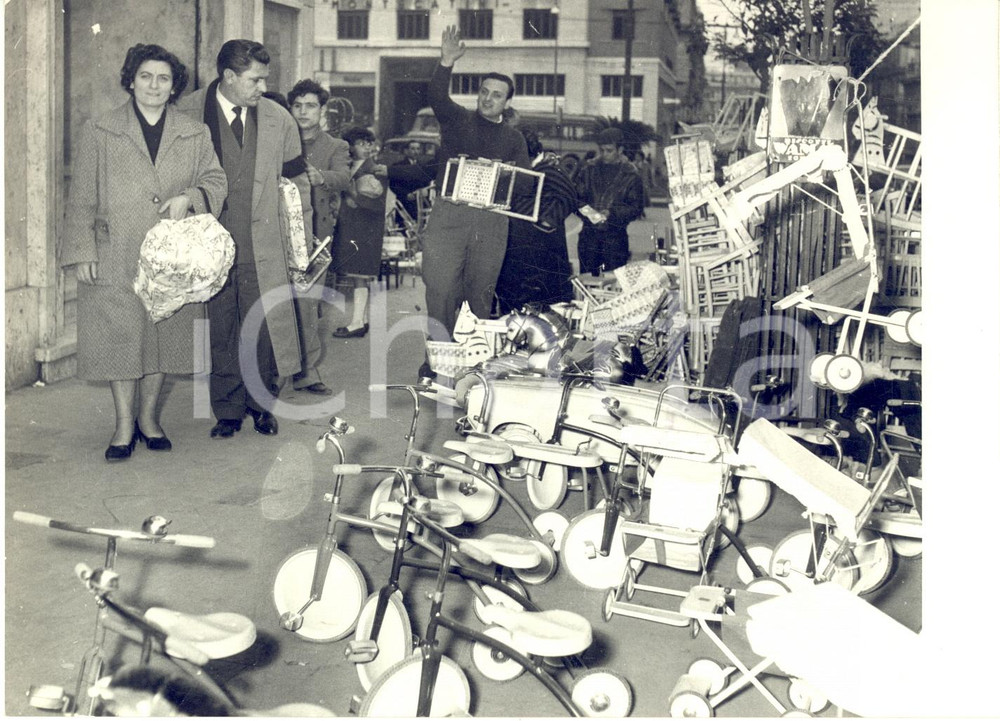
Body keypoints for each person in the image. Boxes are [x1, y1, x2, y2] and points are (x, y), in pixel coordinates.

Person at [61, 43, 227, 462]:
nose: (154, 85)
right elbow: (80, 194)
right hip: (114, 251)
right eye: (146, 76)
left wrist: (190, 196)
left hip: (172, 256)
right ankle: (122, 425)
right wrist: (81, 249)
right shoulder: (100, 129)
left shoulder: (194, 132)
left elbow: (215, 180)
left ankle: (149, 419)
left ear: (174, 87)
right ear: (131, 80)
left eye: (164, 78)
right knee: (121, 339)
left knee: (161, 339)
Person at [176, 39, 312, 439]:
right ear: (229, 76)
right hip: (209, 244)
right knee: (220, 329)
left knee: (264, 326)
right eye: (255, 80)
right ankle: (228, 410)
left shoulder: (279, 118)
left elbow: (296, 184)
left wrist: (301, 246)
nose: (262, 88)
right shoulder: (186, 113)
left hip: (263, 244)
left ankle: (262, 405)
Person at [420, 24, 530, 378]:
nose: (487, 98)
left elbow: (525, 188)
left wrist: (502, 181)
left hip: (491, 220)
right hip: (449, 214)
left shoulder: (514, 139)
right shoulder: (457, 120)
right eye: (484, 92)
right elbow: (437, 97)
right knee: (439, 288)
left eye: (496, 95)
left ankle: (472, 361)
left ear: (506, 102)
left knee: (479, 293)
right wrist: (446, 61)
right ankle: (436, 358)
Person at [286, 78, 353, 394]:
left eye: (310, 105)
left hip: (317, 240)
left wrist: (320, 177)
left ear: (322, 110)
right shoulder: (281, 141)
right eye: (297, 106)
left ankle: (307, 372)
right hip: (280, 233)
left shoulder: (335, 146)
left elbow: (344, 178)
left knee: (308, 305)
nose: (303, 112)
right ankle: (275, 368)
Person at [495, 128, 577, 314]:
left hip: (544, 253)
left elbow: (568, 198)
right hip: (517, 253)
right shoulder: (523, 172)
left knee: (545, 310)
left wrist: (543, 223)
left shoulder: (550, 170)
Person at [330, 126, 388, 338]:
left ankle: (356, 323)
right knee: (357, 276)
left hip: (365, 227)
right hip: (352, 227)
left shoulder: (375, 169)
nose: (367, 147)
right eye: (361, 143)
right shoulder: (350, 167)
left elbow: (377, 203)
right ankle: (360, 320)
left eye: (369, 143)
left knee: (360, 275)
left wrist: (354, 195)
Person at [574, 127, 644, 276]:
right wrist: (592, 214)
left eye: (609, 150)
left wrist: (611, 214)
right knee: (587, 285)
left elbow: (636, 207)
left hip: (615, 241)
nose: (604, 154)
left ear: (620, 150)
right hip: (589, 239)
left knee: (613, 285)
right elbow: (576, 199)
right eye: (602, 150)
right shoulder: (588, 170)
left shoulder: (631, 175)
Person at [391, 140, 424, 222]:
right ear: (406, 151)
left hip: (418, 202)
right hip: (404, 201)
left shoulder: (422, 166)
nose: (415, 151)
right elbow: (393, 185)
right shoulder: (398, 166)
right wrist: (405, 194)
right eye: (413, 149)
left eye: (417, 149)